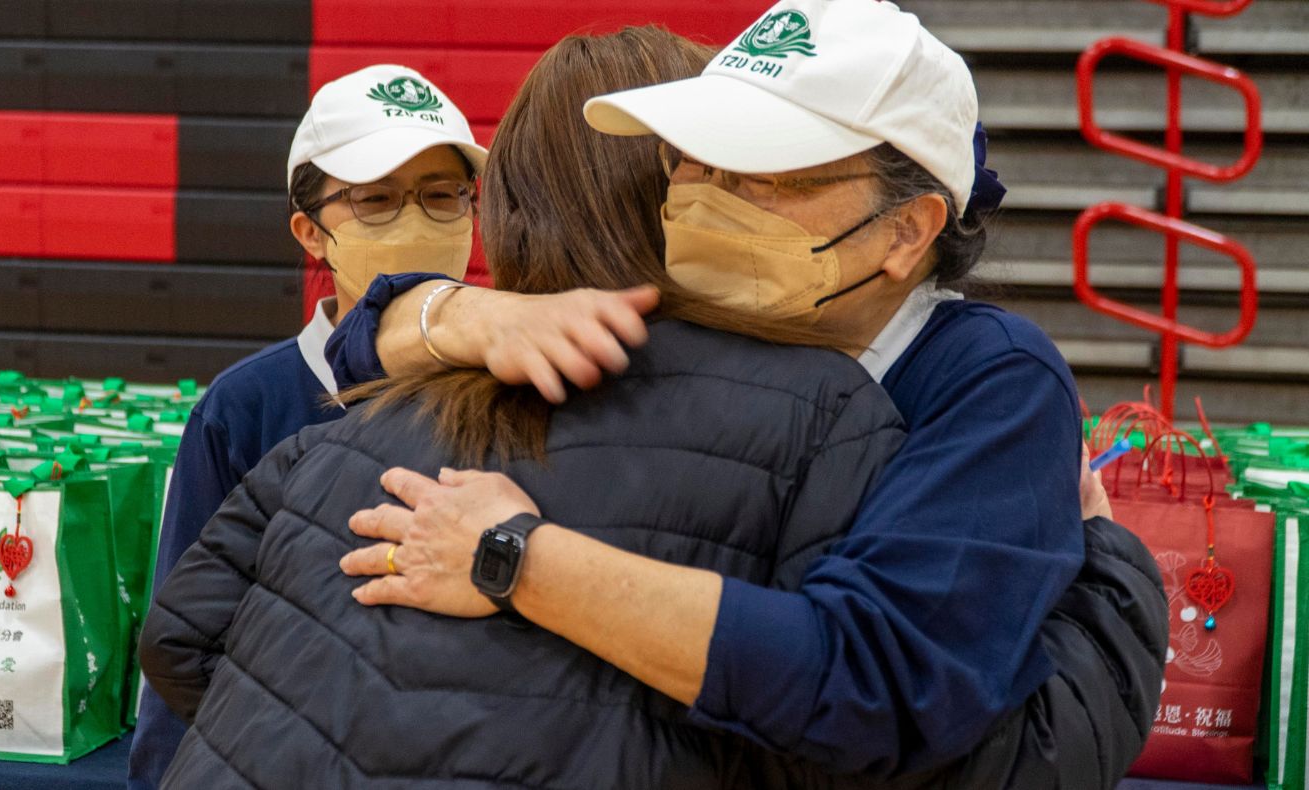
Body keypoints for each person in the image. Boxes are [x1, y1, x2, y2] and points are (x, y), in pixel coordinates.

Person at [331, 2, 1166, 786]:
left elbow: (882, 686)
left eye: (771, 176)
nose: (709, 200)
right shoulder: (680, 331)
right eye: (695, 158)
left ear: (907, 231)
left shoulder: (984, 378)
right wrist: (451, 310)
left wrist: (516, 556)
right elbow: (349, 352)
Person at [140, 27, 923, 788]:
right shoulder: (824, 412)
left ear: (502, 204)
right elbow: (854, 717)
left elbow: (180, 635)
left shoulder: (368, 414)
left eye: (443, 196)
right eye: (377, 201)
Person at [127, 64, 488, 790]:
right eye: (377, 200)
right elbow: (180, 642)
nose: (417, 222)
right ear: (312, 232)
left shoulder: (516, 389)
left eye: (443, 195)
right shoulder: (246, 408)